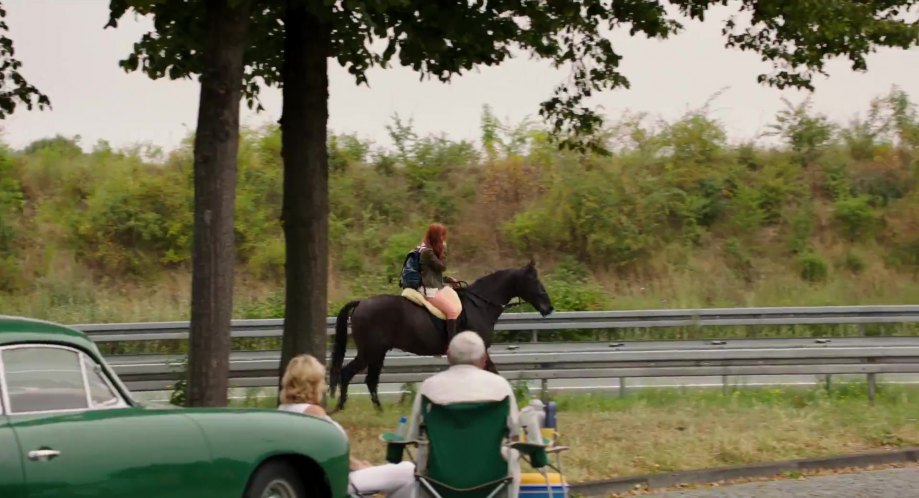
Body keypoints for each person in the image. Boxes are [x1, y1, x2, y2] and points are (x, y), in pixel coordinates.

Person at [405, 331, 541, 498]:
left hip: (438, 485)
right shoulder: (501, 387)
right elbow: (514, 435)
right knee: (511, 453)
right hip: (493, 485)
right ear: (484, 359)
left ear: (448, 356)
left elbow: (413, 437)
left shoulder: (428, 388)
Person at [278, 354, 416, 498]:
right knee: (409, 471)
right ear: (313, 384)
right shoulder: (313, 413)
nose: (324, 386)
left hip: (313, 481)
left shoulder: (283, 410)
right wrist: (361, 467)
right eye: (322, 380)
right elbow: (332, 452)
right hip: (337, 482)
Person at [417, 223, 462, 341]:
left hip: (435, 285)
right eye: (441, 236)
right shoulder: (427, 252)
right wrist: (443, 251)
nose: (443, 239)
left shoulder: (428, 249)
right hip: (429, 289)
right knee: (451, 311)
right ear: (435, 237)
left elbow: (433, 272)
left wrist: (448, 279)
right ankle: (450, 343)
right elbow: (442, 267)